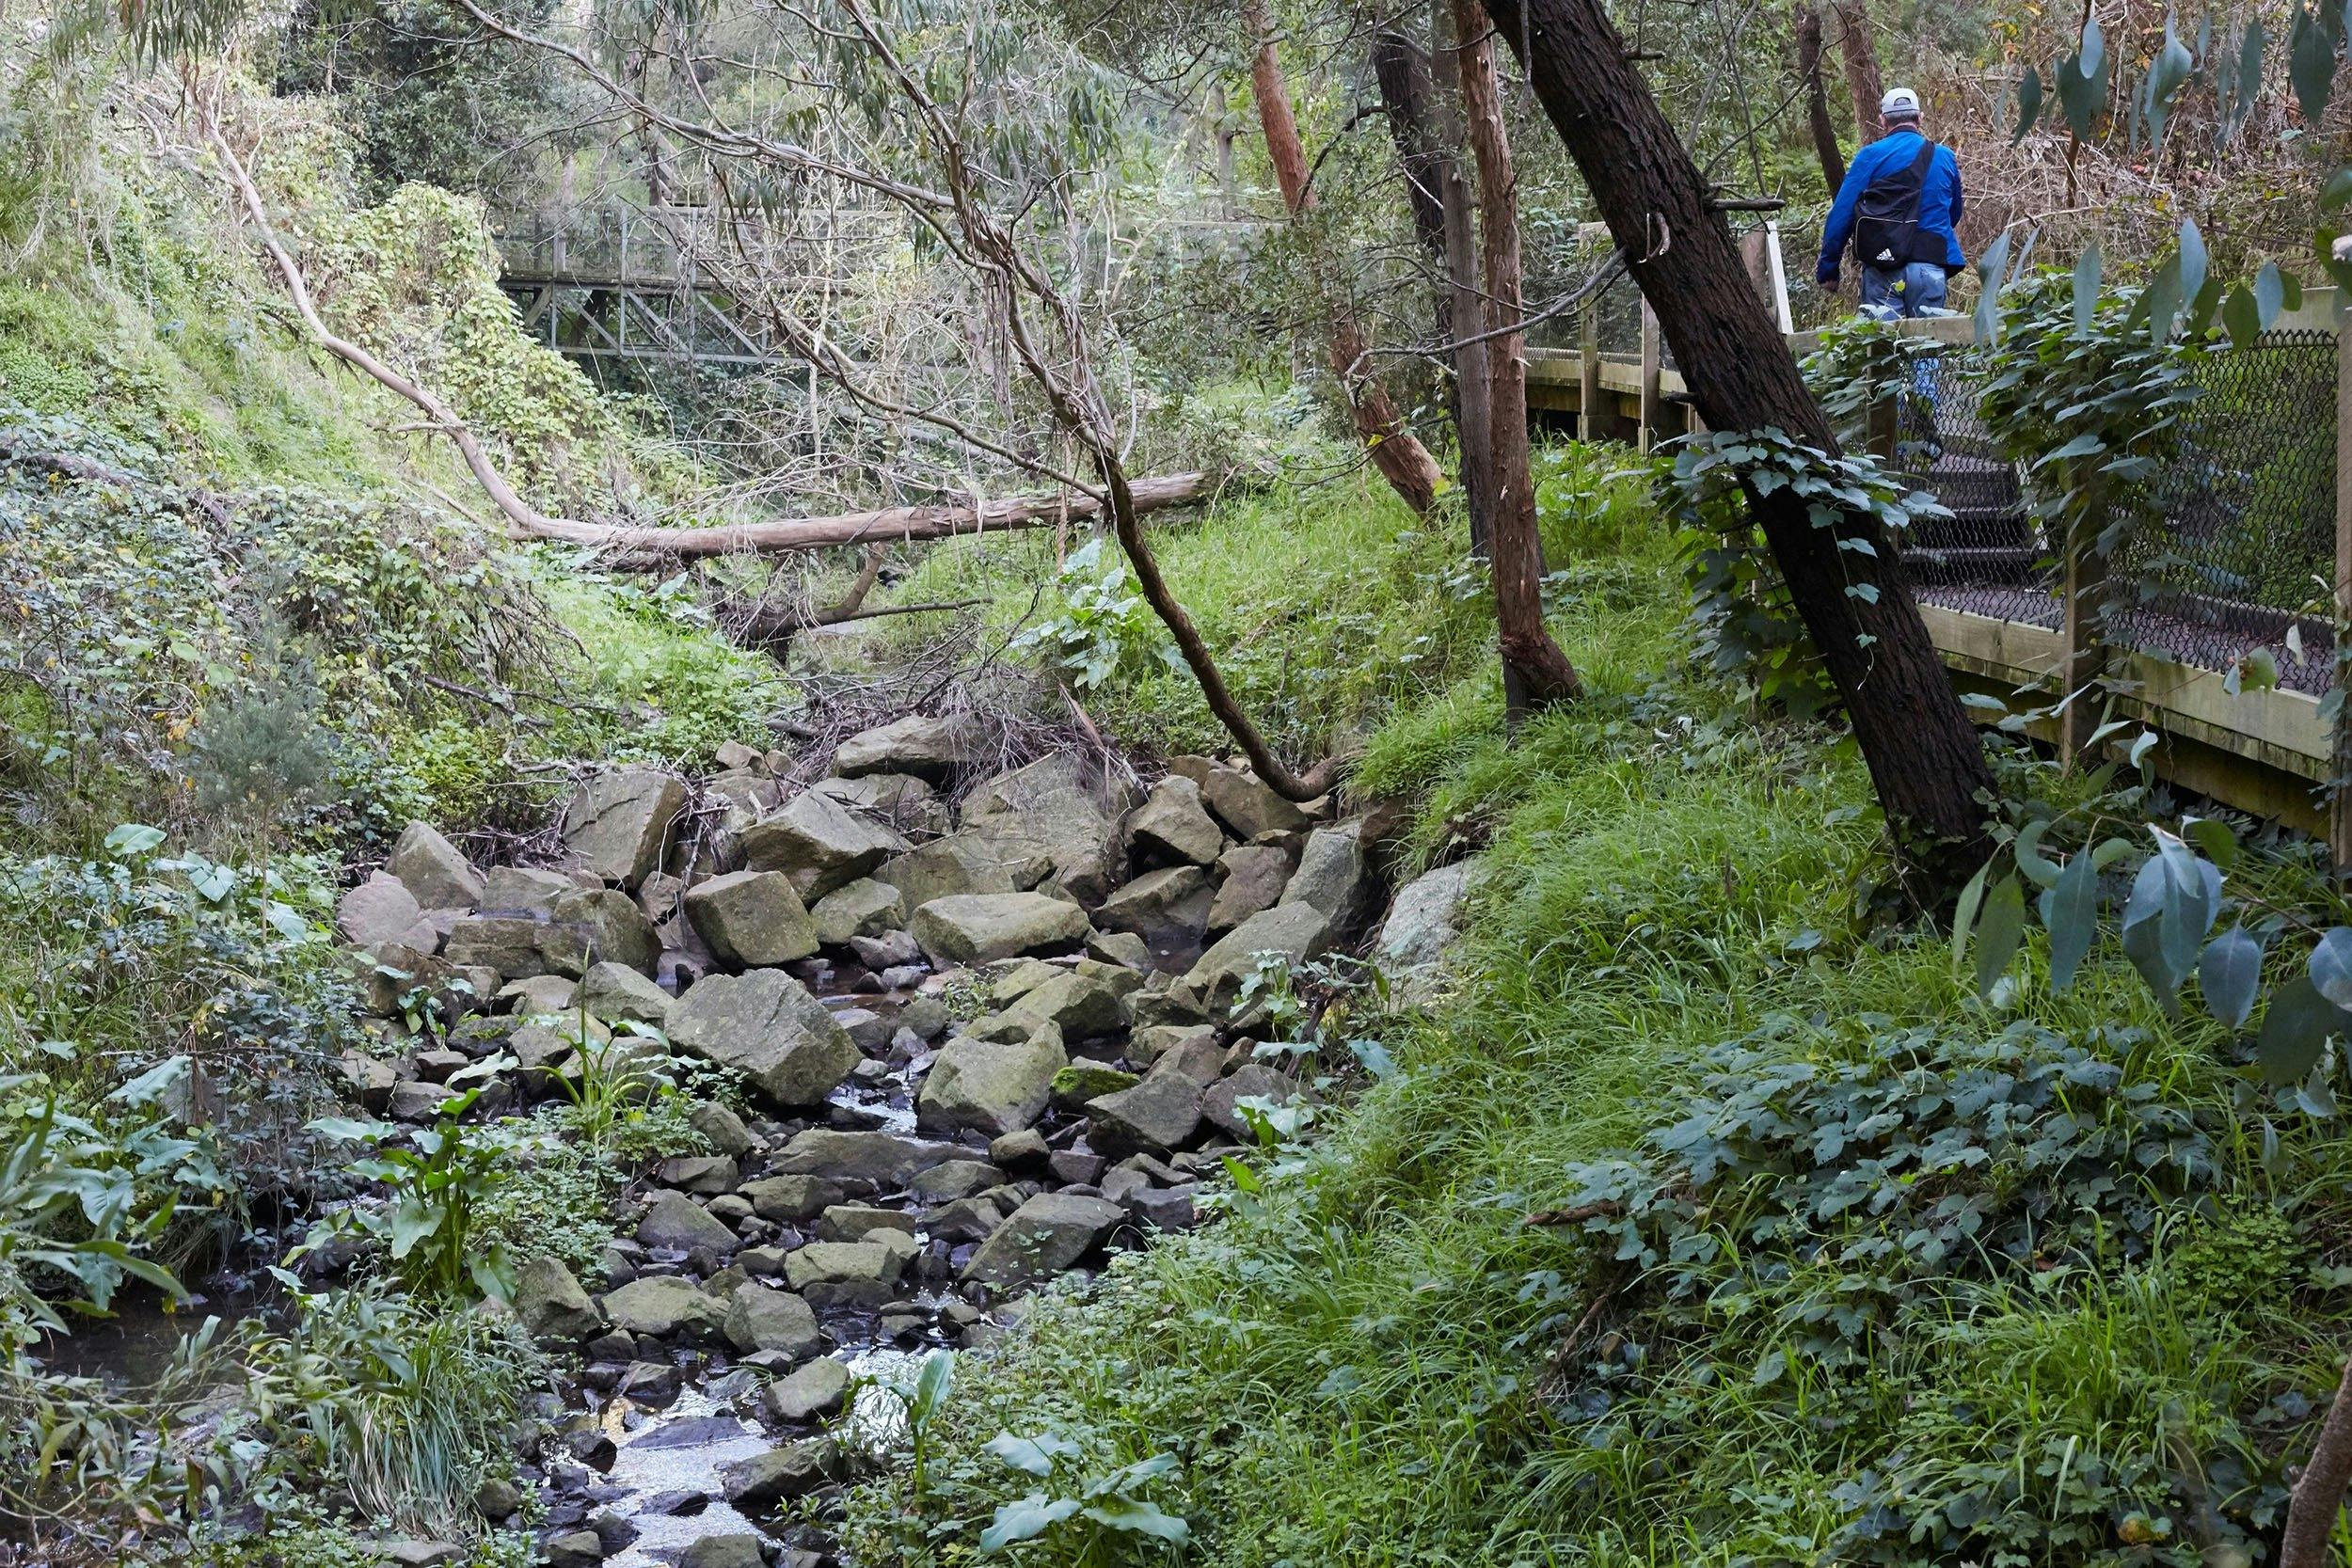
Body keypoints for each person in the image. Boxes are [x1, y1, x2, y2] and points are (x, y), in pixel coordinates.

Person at [1817, 87, 1965, 319]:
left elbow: (1842, 214)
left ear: (1883, 120)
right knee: (1926, 347)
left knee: (1884, 349)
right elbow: (1954, 213)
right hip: (1930, 264)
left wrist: (1829, 269)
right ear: (1919, 118)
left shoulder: (1870, 156)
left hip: (1882, 266)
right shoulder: (1945, 156)